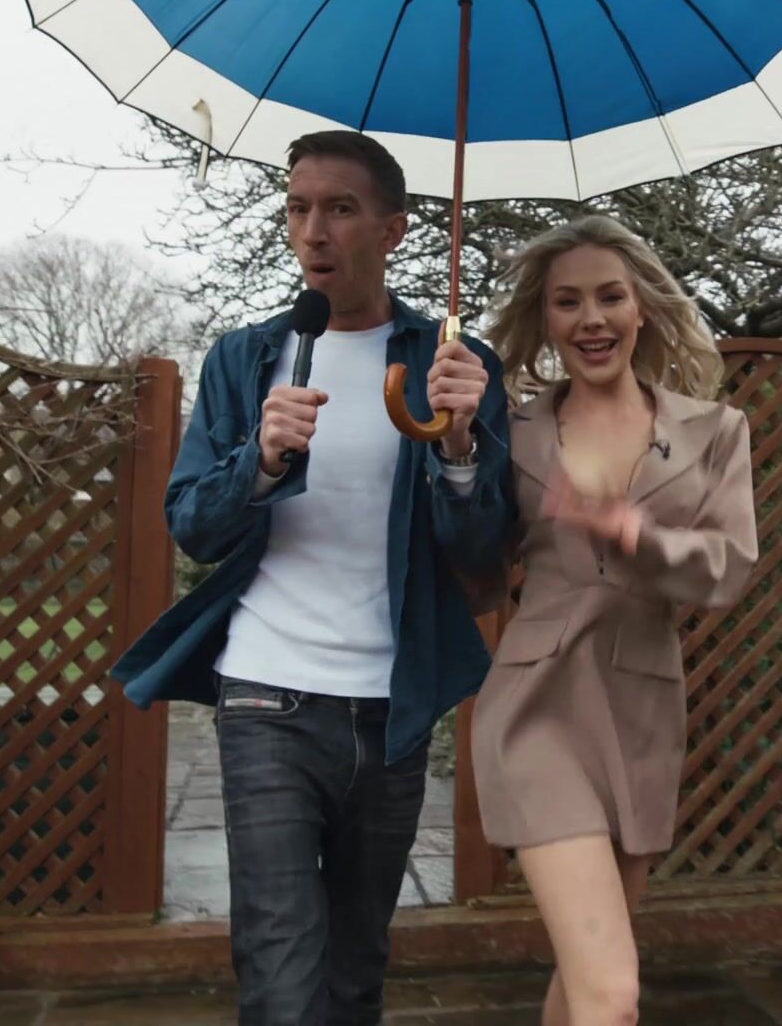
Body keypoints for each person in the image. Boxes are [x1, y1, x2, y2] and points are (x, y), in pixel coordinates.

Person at [110, 130, 513, 1025]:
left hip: (393, 707)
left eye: (340, 209)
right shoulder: (245, 358)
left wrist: (457, 449)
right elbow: (192, 524)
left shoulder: (456, 364)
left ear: (393, 229)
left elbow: (483, 549)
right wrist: (258, 459)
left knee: (355, 973)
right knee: (282, 977)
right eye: (298, 208)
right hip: (267, 694)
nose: (313, 231)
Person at [474, 214, 759, 1025]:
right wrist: (455, 456)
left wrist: (636, 533)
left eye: (609, 297)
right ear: (544, 319)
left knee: (587, 981)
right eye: (567, 302)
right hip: (536, 707)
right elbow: (472, 575)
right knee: (613, 994)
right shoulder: (510, 432)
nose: (591, 319)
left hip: (641, 710)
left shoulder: (714, 433)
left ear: (642, 308)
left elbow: (729, 568)